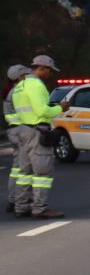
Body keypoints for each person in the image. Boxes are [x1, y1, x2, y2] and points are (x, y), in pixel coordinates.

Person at [10, 54, 68, 219]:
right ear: (42, 68)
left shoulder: (20, 85)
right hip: (37, 132)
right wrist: (60, 108)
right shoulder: (36, 84)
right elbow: (42, 111)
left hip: (23, 130)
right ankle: (40, 209)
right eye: (50, 70)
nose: (50, 74)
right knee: (42, 173)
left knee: (24, 172)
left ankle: (21, 207)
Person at [4, 64, 33, 213]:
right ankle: (18, 200)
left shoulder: (10, 90)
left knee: (17, 168)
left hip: (13, 131)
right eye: (26, 75)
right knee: (23, 168)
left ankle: (13, 200)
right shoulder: (18, 91)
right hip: (20, 130)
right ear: (20, 77)